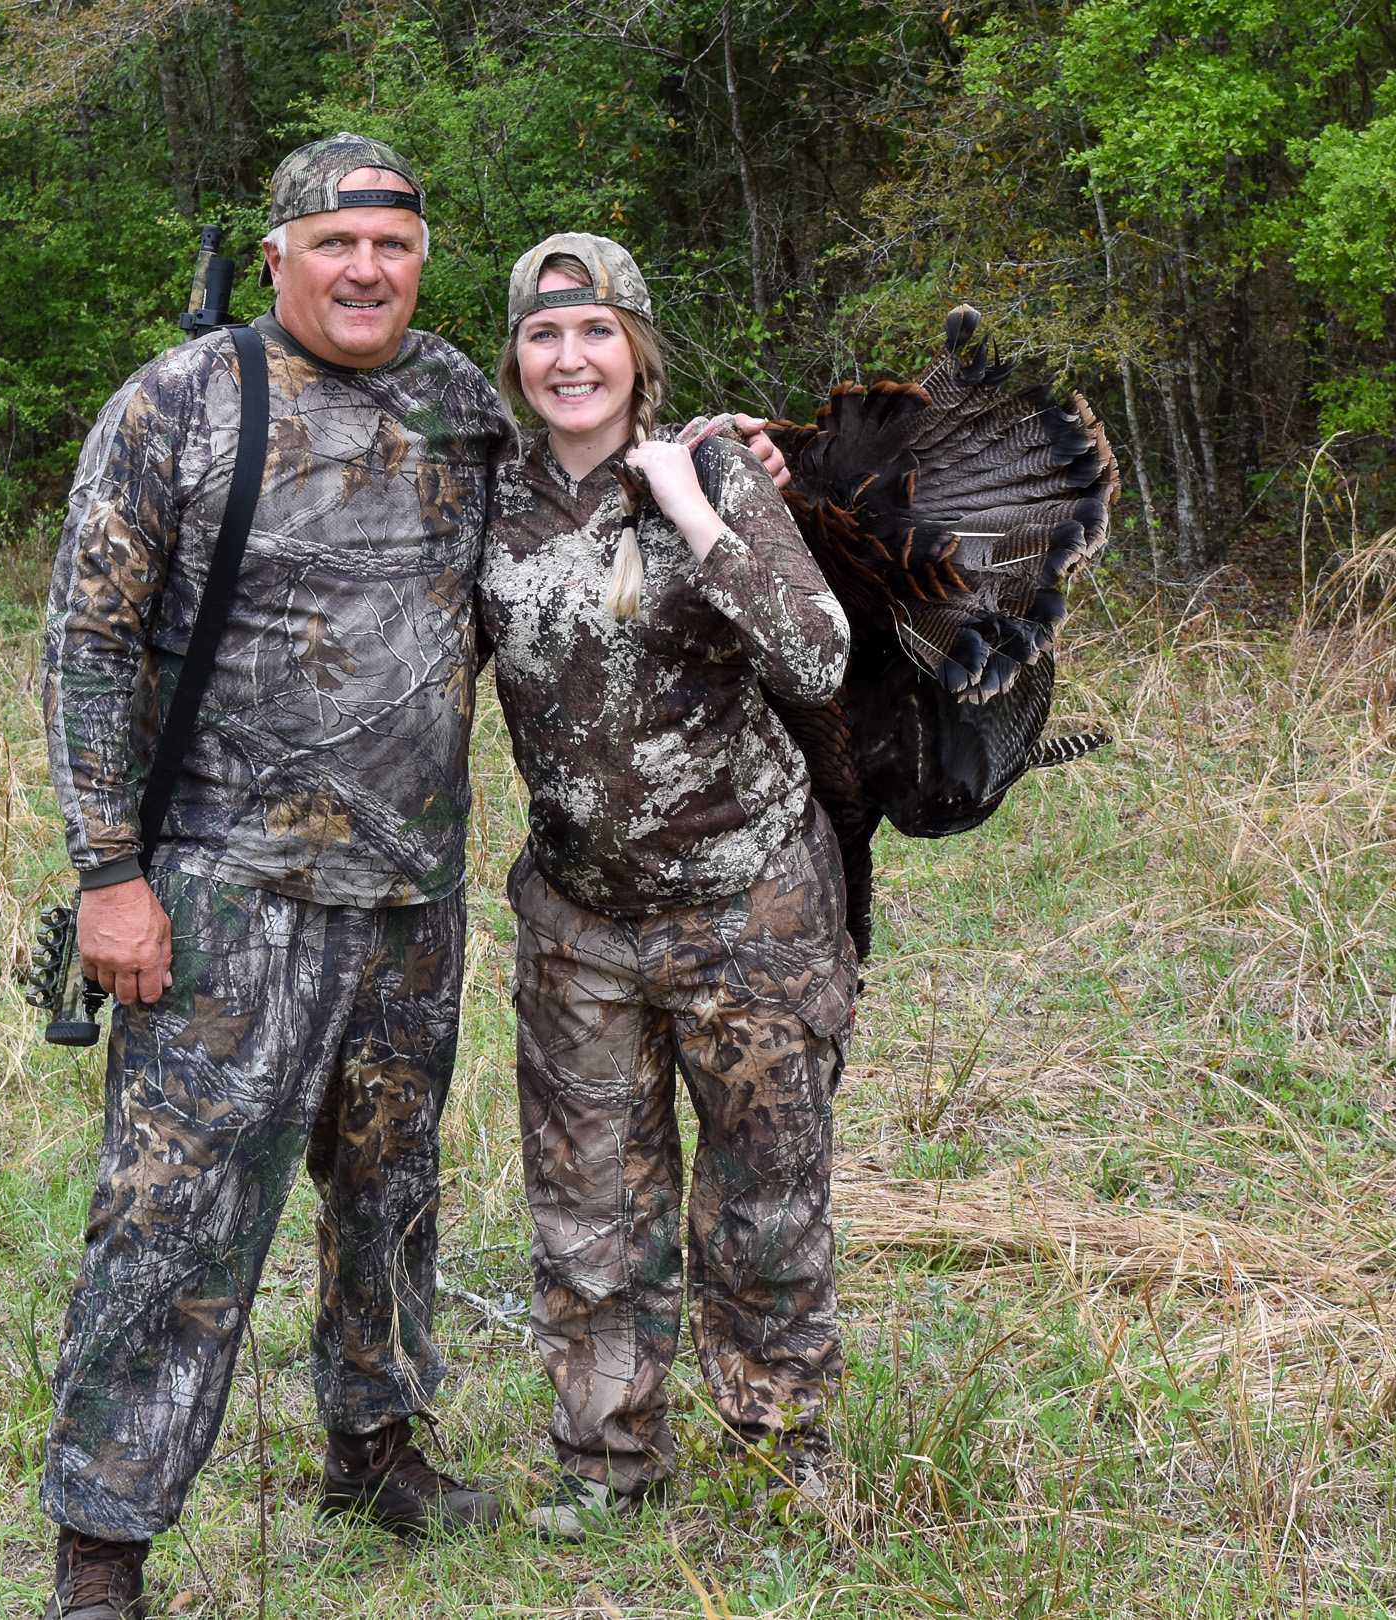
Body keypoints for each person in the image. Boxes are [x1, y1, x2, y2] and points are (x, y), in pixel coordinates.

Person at [35, 134, 515, 1620]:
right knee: (173, 1218)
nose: (368, 270)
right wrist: (112, 875)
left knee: (391, 1188)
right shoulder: (178, 402)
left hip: (410, 893)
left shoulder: (459, 402)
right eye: (337, 246)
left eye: (395, 246)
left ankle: (375, 1447)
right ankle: (104, 1547)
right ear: (282, 257)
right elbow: (90, 644)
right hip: (223, 897)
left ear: (421, 259)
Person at [475, 233, 859, 1538]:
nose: (568, 358)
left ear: (635, 346)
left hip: (749, 909)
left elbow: (816, 657)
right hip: (579, 921)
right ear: (517, 355)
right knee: (589, 1207)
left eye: (594, 334)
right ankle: (607, 1463)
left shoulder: (714, 473)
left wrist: (693, 498)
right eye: (542, 335)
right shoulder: (491, 494)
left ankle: (781, 1457)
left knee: (763, 1200)